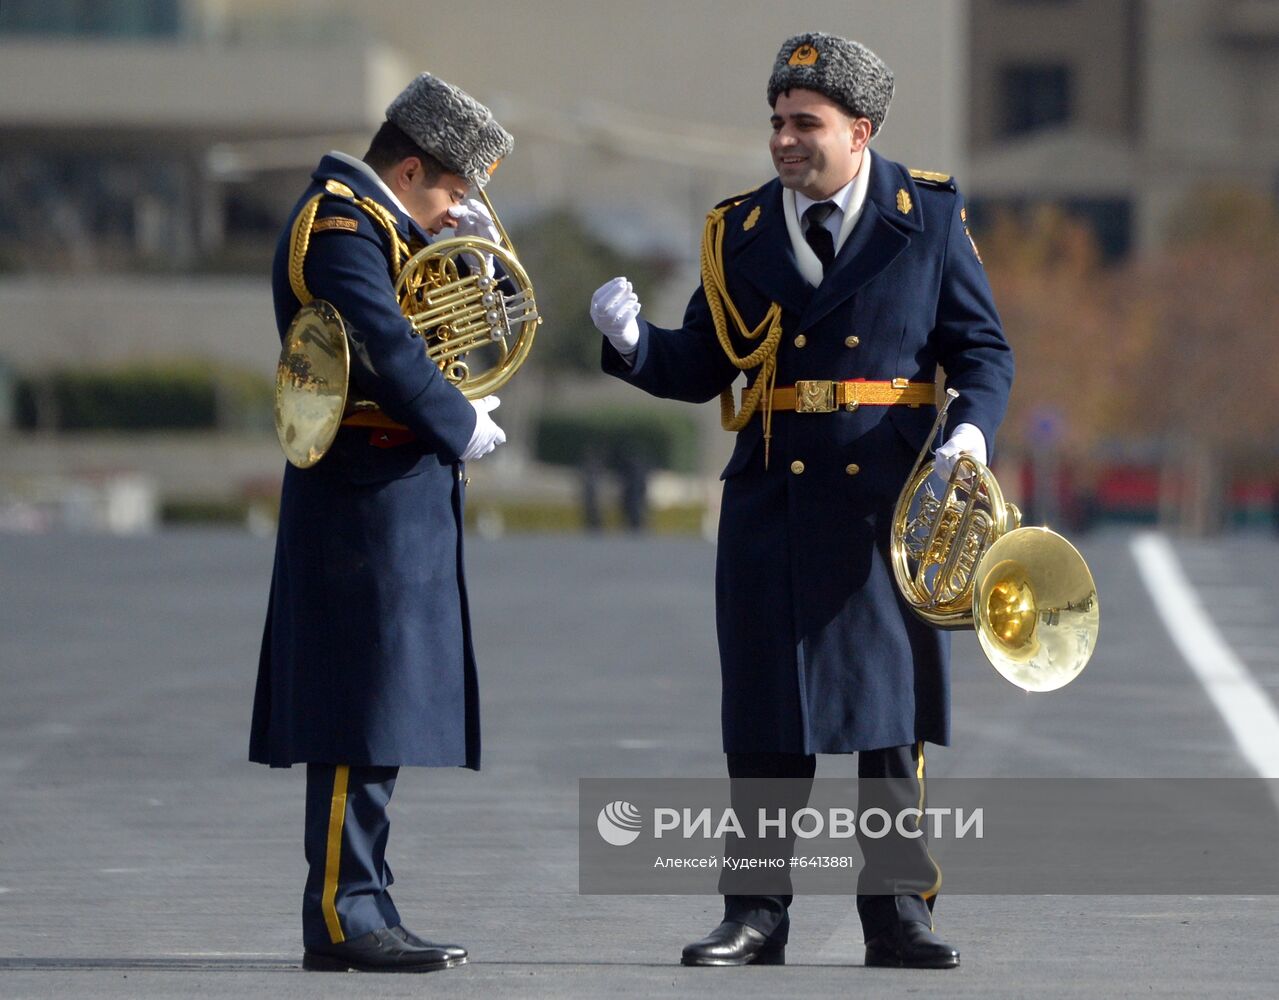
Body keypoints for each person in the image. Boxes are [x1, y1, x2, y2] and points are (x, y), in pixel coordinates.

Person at [590, 32, 1013, 969]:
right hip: (773, 500)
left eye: (805, 124)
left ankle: (898, 912)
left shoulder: (927, 215)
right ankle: (755, 913)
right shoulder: (737, 231)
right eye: (777, 121)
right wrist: (632, 346)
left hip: (889, 506)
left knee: (889, 722)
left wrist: (971, 434)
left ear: (859, 131)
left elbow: (982, 353)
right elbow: (702, 366)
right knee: (766, 723)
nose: (784, 140)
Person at [250, 72, 513, 974]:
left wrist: (471, 268)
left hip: (391, 487)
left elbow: (438, 336)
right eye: (452, 191)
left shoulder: (381, 226)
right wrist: (457, 419)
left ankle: (363, 896)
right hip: (359, 489)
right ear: (408, 169)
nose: (456, 210)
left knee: (381, 708)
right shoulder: (341, 224)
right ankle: (342, 911)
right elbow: (382, 343)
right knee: (354, 707)